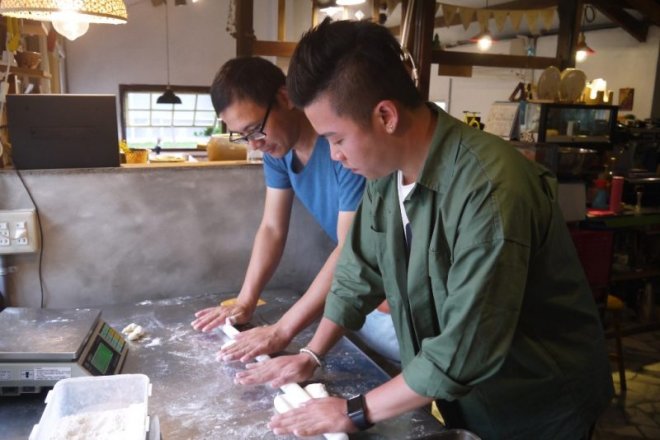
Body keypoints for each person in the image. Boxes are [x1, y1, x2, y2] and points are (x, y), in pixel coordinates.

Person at [233, 19, 614, 440]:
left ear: (386, 115)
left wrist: (354, 411)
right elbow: (357, 273)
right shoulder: (385, 175)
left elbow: (464, 348)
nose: (334, 155)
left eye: (336, 139)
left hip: (538, 404)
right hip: (465, 398)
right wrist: (311, 354)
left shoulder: (490, 190)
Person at [191, 56, 400, 365]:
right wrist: (245, 301)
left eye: (255, 129)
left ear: (284, 97)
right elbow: (272, 229)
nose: (254, 144)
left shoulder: (342, 149)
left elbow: (349, 249)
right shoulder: (278, 151)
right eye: (243, 136)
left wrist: (282, 331)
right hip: (357, 296)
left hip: (393, 301)